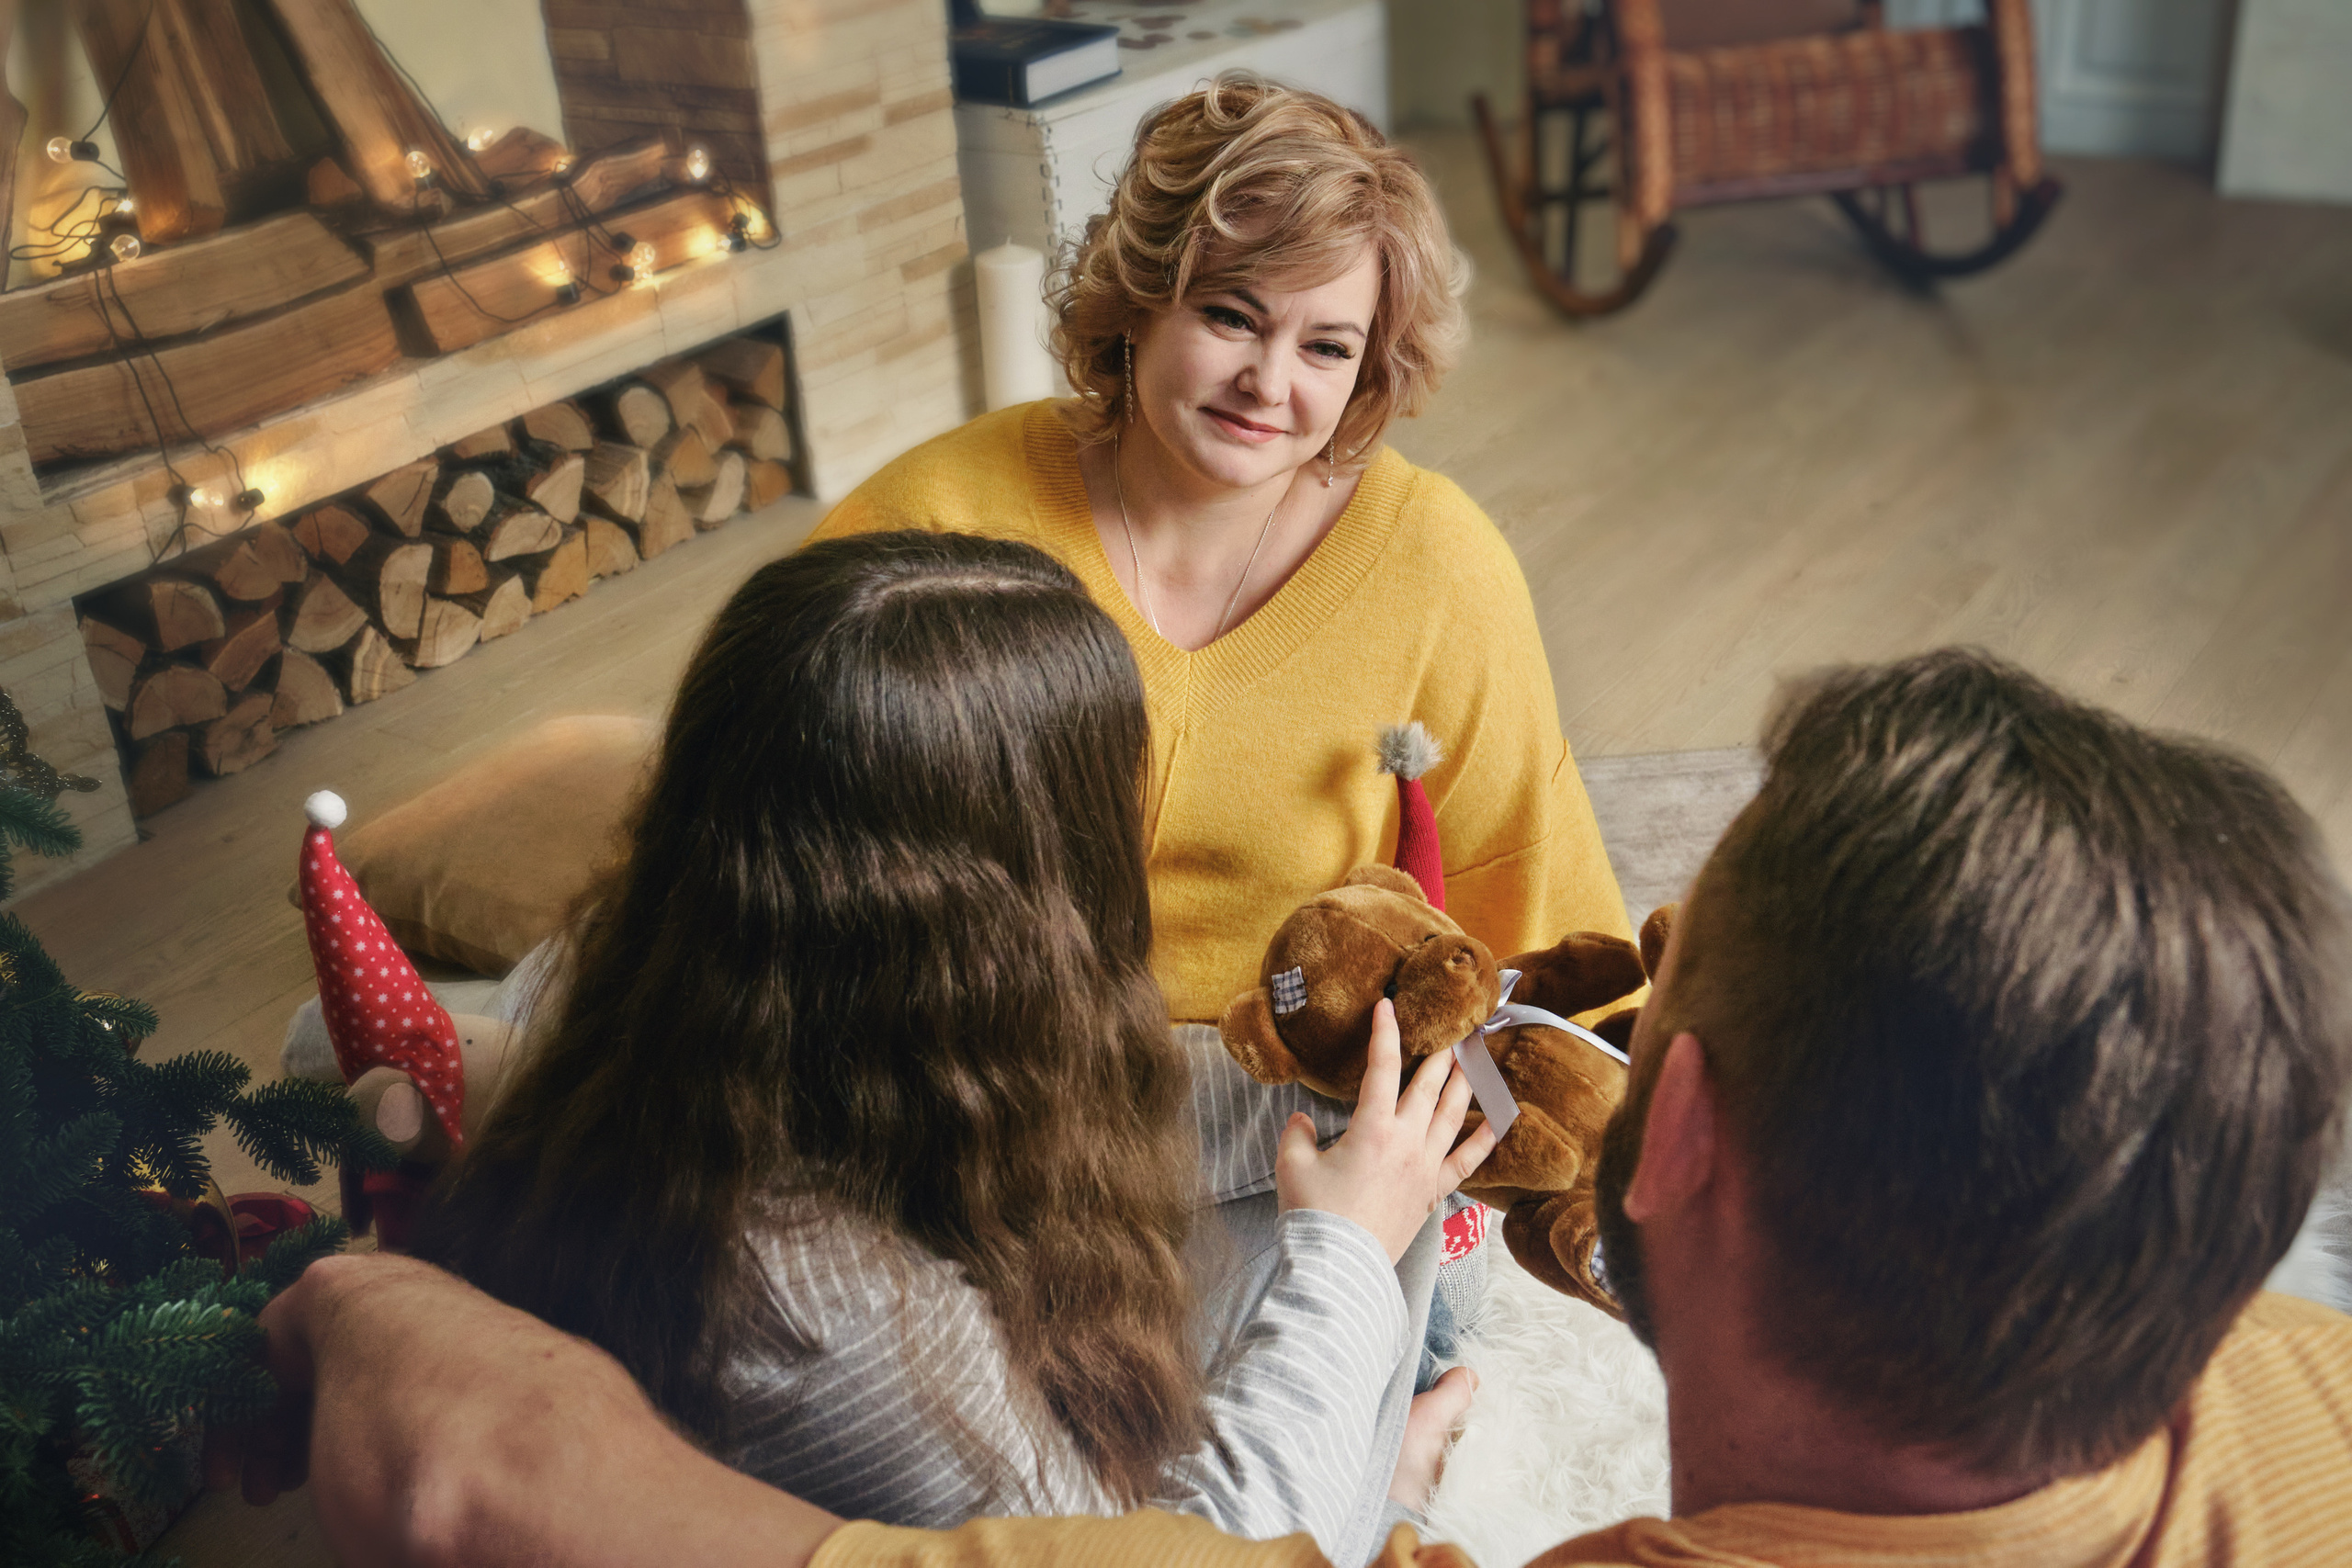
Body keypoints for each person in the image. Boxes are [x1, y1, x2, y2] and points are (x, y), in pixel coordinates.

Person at [224, 649, 2352, 1567]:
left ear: (1672, 1130)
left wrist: (347, 1301)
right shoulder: (2303, 1381)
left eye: (1656, 974)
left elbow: (486, 1469)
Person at [408, 531, 1492, 1565]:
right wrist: (1348, 1250)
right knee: (1384, 1257)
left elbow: (1096, 1098)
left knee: (1383, 1158)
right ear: (1012, 898)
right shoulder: (822, 1310)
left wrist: (1349, 1084)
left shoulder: (680, 981)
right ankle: (1397, 1482)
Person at [814, 67, 1634, 1429]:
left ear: (1375, 367)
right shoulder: (938, 516)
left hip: (1290, 1131)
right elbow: (762, 852)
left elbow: (1536, 913)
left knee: (1199, 1442)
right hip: (986, 1097)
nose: (1270, 381)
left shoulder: (1439, 564)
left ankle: (1403, 1451)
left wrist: (1570, 1147)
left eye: (1328, 347)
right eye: (1230, 315)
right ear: (1138, 302)